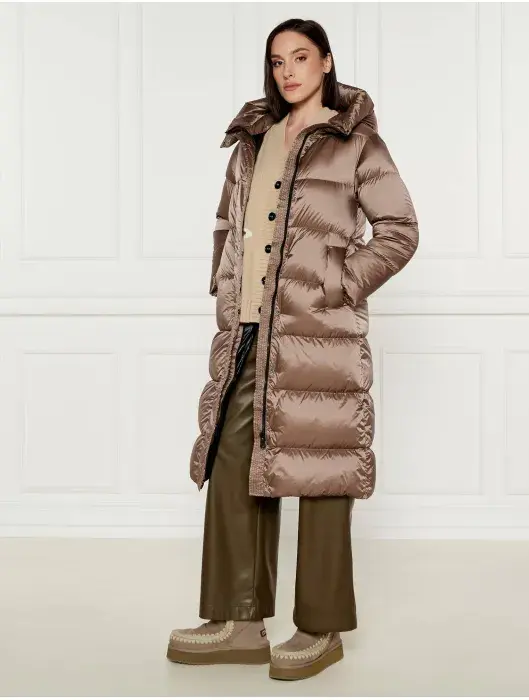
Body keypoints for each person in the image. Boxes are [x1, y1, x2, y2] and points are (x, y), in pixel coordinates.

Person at [167, 17, 419, 681]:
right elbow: (228, 223)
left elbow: (399, 230)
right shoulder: (252, 142)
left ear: (326, 62)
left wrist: (339, 282)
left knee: (323, 470)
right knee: (232, 462)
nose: (288, 72)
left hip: (320, 332)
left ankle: (321, 628)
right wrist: (226, 285)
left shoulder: (355, 143)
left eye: (301, 57)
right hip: (250, 330)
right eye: (278, 61)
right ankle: (238, 620)